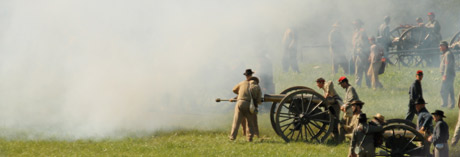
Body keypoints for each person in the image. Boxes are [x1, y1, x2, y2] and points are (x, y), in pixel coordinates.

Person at [229, 69, 260, 141]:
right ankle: (250, 138)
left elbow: (234, 90)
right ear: (252, 76)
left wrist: (240, 94)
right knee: (250, 123)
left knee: (236, 122)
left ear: (246, 76)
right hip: (249, 104)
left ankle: (232, 137)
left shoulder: (242, 83)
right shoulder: (256, 85)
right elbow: (258, 98)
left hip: (239, 103)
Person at [352, 19, 371, 88]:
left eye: (356, 24)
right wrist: (354, 54)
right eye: (354, 24)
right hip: (358, 53)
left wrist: (367, 53)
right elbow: (354, 44)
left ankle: (368, 84)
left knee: (366, 69)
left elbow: (365, 43)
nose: (354, 25)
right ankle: (358, 85)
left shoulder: (362, 31)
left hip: (363, 53)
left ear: (359, 24)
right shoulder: (355, 32)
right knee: (358, 70)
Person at [439, 41, 456, 108]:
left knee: (443, 90)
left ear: (445, 46)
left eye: (441, 46)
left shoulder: (448, 54)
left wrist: (445, 75)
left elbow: (447, 65)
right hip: (449, 75)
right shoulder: (446, 53)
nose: (440, 47)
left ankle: (444, 103)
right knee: (450, 90)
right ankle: (451, 104)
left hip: (448, 75)